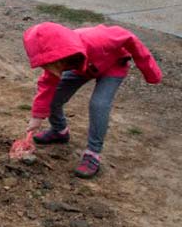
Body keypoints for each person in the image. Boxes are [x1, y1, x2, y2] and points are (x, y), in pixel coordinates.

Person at [22, 22, 162, 178]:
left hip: (113, 66)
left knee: (99, 105)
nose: (53, 68)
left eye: (54, 64)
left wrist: (151, 73)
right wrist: (37, 117)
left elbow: (130, 38)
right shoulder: (56, 58)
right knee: (54, 97)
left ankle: (93, 153)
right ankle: (59, 131)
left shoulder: (98, 39)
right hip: (83, 68)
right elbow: (48, 84)